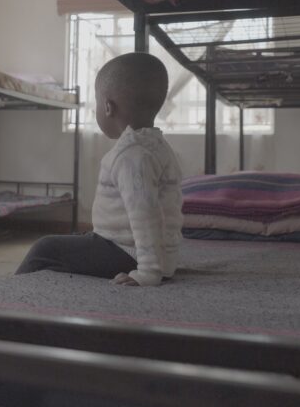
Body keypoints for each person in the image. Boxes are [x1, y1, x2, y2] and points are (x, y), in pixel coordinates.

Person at [16, 52, 183, 286]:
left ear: (107, 107)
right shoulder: (158, 146)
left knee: (46, 248)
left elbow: (145, 214)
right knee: (76, 242)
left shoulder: (131, 156)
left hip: (129, 254)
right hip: (147, 252)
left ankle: (8, 300)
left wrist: (148, 272)